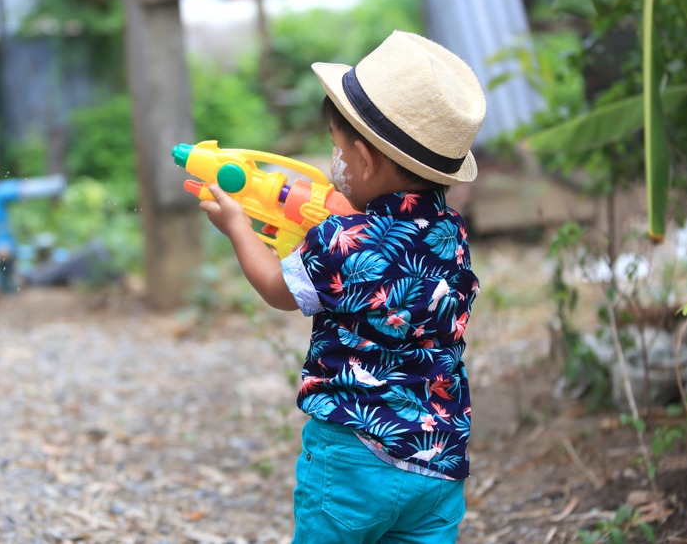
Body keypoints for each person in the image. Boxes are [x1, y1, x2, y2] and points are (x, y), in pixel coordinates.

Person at [195, 30, 486, 543]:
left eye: (337, 148)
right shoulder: (453, 234)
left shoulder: (340, 240)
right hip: (439, 461)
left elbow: (276, 288)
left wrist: (238, 227)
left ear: (366, 161)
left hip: (354, 456)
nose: (334, 161)